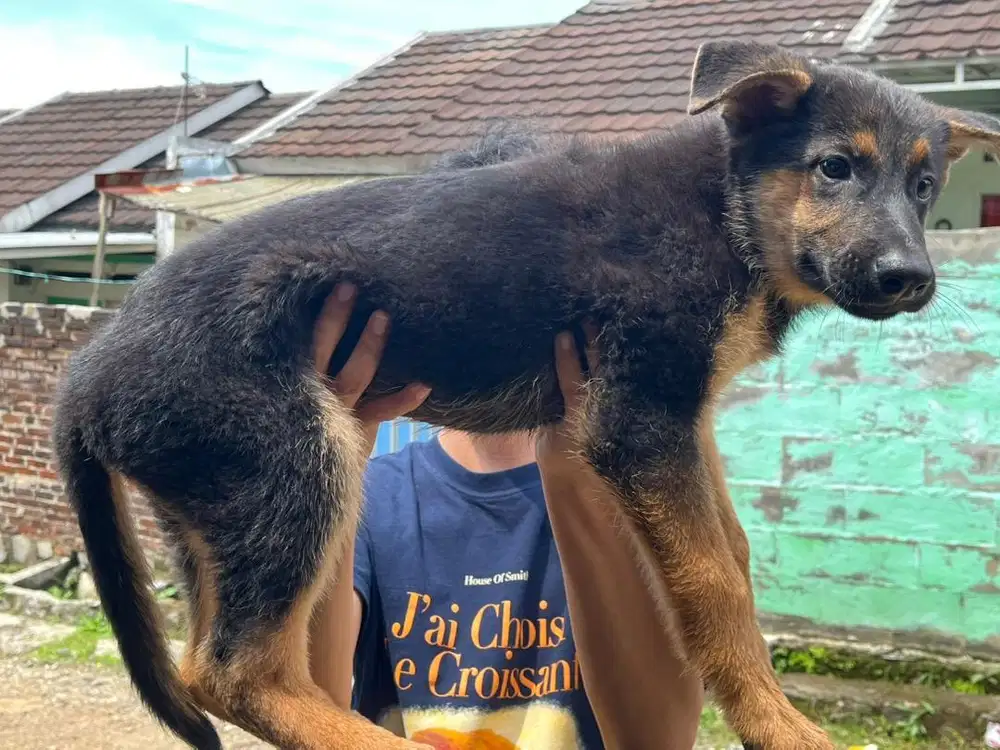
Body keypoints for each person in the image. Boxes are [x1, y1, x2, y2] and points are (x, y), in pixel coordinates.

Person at [307, 282, 704, 750]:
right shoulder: (374, 494)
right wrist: (330, 464)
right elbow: (311, 712)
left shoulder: (634, 498)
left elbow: (662, 739)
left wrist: (580, 475)